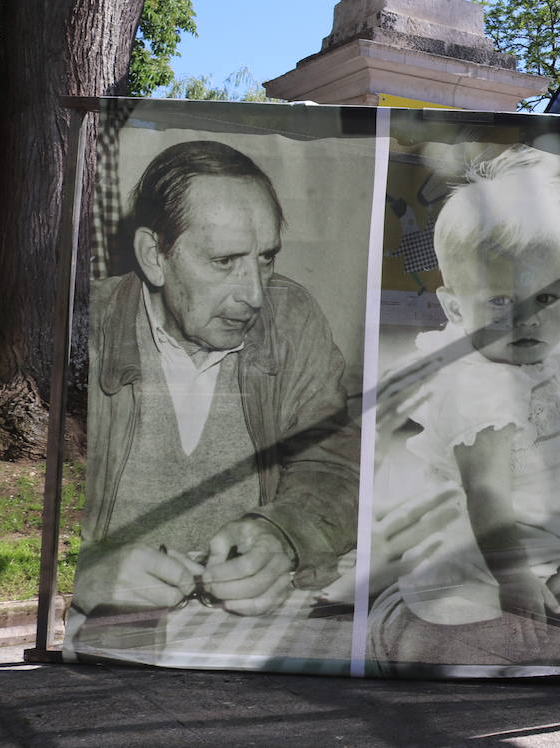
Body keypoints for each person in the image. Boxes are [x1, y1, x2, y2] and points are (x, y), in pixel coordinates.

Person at [69, 141, 360, 657]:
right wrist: (83, 569)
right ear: (154, 257)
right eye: (224, 261)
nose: (254, 295)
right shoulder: (81, 330)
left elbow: (334, 463)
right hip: (101, 643)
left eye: (265, 258)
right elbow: (20, 499)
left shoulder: (292, 318)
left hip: (246, 639)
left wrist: (283, 535)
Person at [373, 148, 560, 650]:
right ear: (455, 307)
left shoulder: (519, 354)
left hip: (540, 509)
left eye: (546, 298)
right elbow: (486, 493)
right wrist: (513, 574)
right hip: (495, 540)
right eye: (500, 302)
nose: (529, 319)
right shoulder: (478, 389)